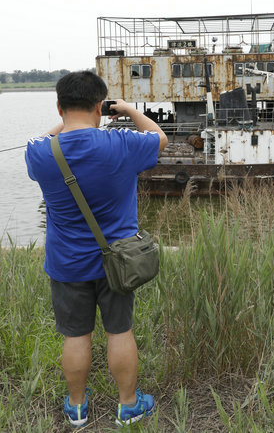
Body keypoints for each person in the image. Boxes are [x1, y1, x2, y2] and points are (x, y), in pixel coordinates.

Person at [25, 71, 168, 427]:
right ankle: (129, 406)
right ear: (100, 107)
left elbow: (42, 139)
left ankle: (76, 408)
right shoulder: (121, 144)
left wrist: (66, 124)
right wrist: (130, 110)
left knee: (75, 336)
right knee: (119, 331)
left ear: (59, 107)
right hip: (118, 262)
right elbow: (159, 138)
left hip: (66, 263)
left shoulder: (41, 154)